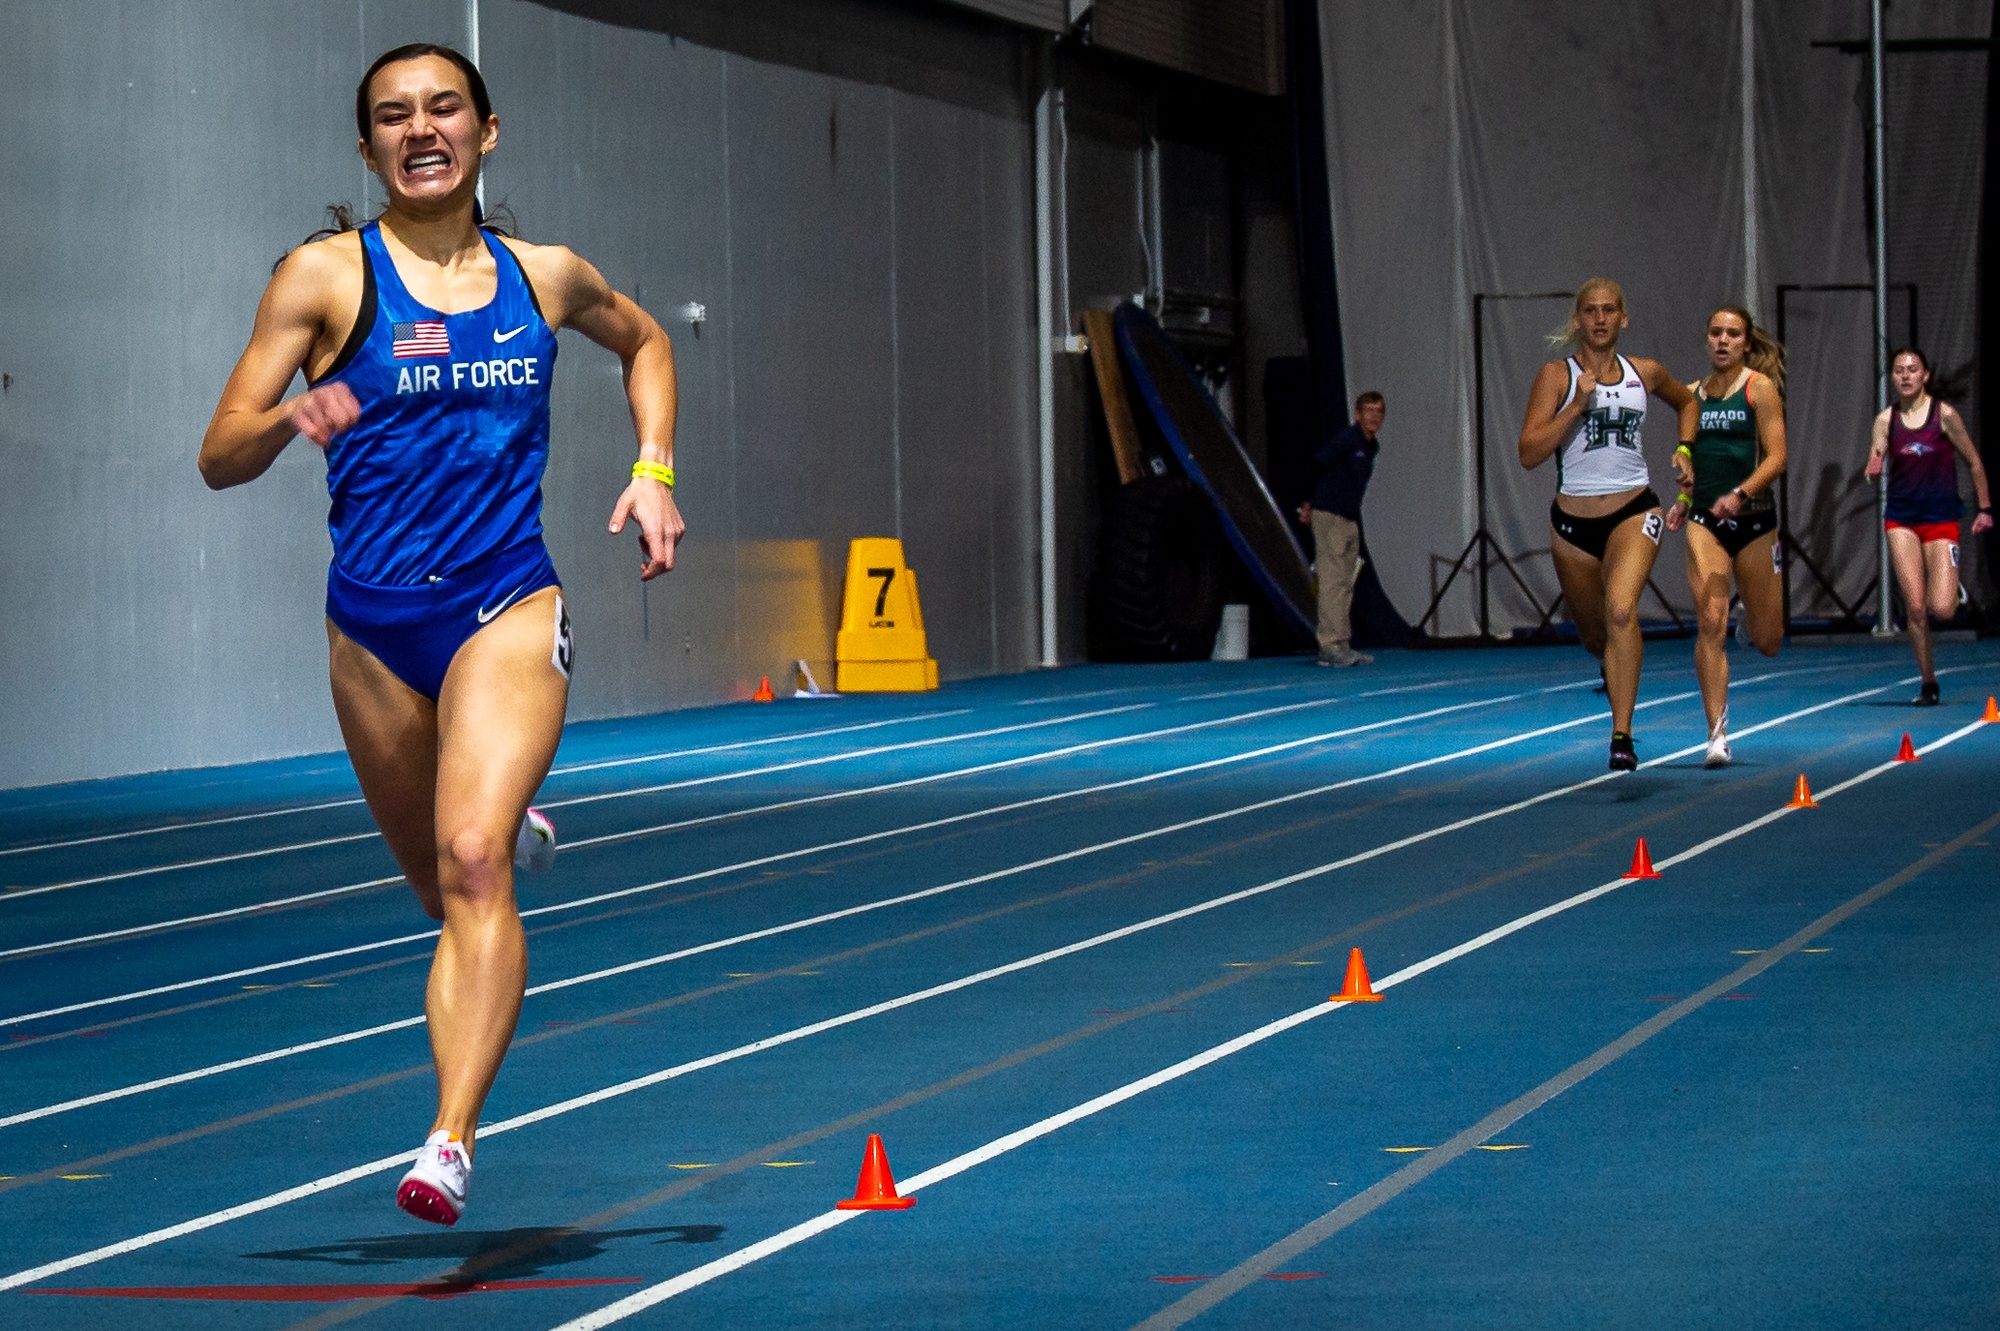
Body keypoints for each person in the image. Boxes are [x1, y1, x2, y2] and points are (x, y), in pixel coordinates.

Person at [198, 43, 684, 1225]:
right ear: (367, 147)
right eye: (393, 117)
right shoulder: (324, 278)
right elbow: (218, 453)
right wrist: (286, 418)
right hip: (371, 624)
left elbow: (647, 343)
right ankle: (501, 814)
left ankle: (450, 1138)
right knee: (438, 887)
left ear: (487, 129)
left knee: (471, 865)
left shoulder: (547, 275)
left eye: (443, 109)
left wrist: (654, 468)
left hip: (505, 601)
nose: (421, 130)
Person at [1518, 279, 1697, 770]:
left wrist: (1684, 450)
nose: (1600, 318)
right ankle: (1608, 664)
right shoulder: (1557, 375)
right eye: (1590, 311)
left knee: (1622, 611)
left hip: (1634, 509)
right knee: (1596, 635)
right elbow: (1530, 453)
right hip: (1572, 523)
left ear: (1624, 318)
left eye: (1609, 310)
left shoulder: (1648, 372)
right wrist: (1576, 404)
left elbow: (1689, 402)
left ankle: (1622, 734)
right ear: (1577, 320)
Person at [1663, 306, 1788, 767]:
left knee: (1770, 640)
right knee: (1709, 619)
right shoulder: (1692, 396)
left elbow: (1777, 458)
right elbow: (1688, 460)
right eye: (1715, 332)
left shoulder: (1760, 389)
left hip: (1754, 520)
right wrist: (1682, 497)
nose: (1722, 341)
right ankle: (1716, 735)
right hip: (1705, 522)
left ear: (1746, 344)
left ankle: (1749, 621)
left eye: (1732, 334)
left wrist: (1740, 494)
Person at [1866, 348, 1994, 704]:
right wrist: (1873, 468)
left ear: (1924, 376)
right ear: (1892, 378)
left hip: (1940, 519)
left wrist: (1985, 510)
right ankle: (1928, 682)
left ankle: (1952, 588)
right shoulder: (1885, 420)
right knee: (1917, 608)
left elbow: (1974, 461)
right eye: (1899, 370)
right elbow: (1874, 458)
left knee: (1942, 609)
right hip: (1902, 520)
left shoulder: (1945, 415)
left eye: (1912, 370)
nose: (1905, 376)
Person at [1297, 391, 1384, 667]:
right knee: (1332, 581)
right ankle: (1329, 646)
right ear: (1357, 414)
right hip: (1330, 515)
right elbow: (1315, 465)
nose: (1373, 416)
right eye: (1368, 410)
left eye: (1379, 411)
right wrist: (1308, 504)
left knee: (1346, 583)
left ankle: (1342, 642)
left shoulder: (1371, 446)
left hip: (1348, 518)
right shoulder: (1347, 439)